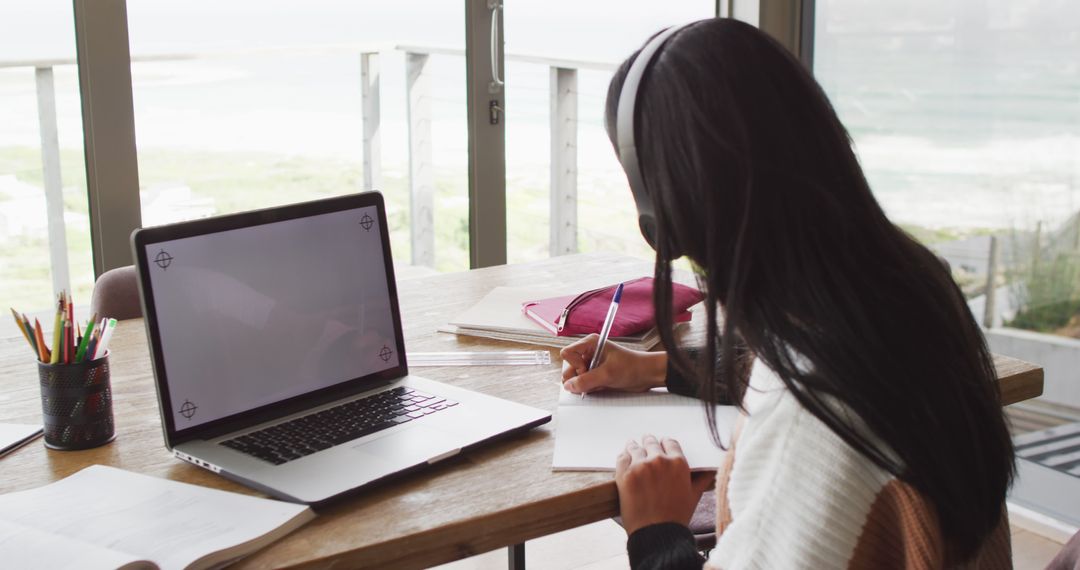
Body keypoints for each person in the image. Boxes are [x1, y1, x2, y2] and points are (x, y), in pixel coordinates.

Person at [559, 18, 1015, 569]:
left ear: (665, 218)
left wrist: (658, 533)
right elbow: (792, 363)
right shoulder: (911, 285)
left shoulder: (813, 424)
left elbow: (805, 403)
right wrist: (653, 369)